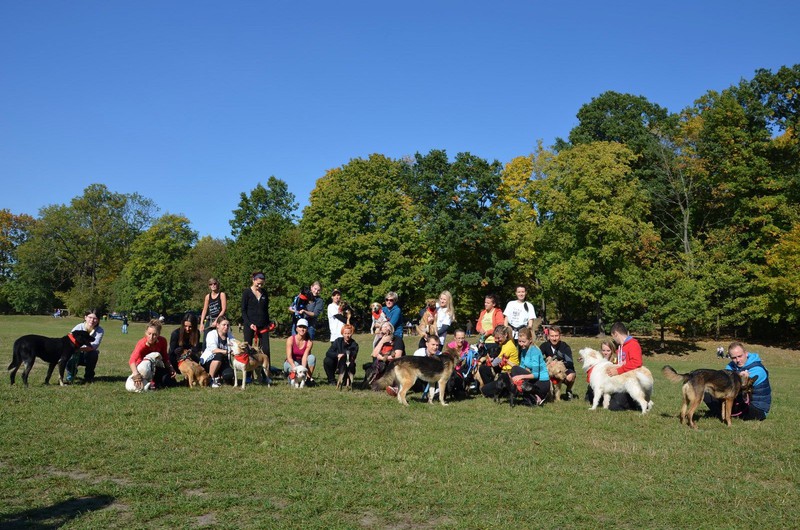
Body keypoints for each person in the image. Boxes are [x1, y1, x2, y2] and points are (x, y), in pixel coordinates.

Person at [703, 342, 771, 421]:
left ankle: (721, 413)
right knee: (707, 391)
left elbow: (742, 386)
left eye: (740, 356)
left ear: (746, 353)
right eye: (734, 358)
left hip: (756, 407)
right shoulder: (730, 366)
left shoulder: (758, 369)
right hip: (738, 403)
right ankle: (722, 413)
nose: (738, 360)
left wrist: (741, 378)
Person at [599, 322, 645, 411]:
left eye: (612, 336)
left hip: (631, 382)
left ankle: (636, 403)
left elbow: (636, 363)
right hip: (621, 381)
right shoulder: (620, 348)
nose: (613, 339)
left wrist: (618, 370)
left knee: (615, 407)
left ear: (615, 334)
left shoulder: (633, 344)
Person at [128, 319, 175, 390]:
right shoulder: (141, 344)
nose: (151, 337)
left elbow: (165, 357)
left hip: (155, 367)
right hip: (143, 368)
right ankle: (150, 383)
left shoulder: (162, 341)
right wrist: (135, 374)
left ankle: (153, 382)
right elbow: (132, 360)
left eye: (154, 334)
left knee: (169, 381)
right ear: (145, 332)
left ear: (158, 334)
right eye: (149, 333)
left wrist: (170, 368)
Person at [509, 327, 550, 406]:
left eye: (523, 342)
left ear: (530, 340)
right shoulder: (523, 351)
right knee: (515, 370)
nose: (521, 344)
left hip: (542, 382)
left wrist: (520, 377)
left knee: (515, 369)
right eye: (519, 341)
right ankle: (531, 398)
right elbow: (522, 368)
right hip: (534, 381)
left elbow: (535, 375)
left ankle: (535, 397)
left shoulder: (534, 351)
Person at [242, 271, 272, 377]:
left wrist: (269, 324)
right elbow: (243, 311)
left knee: (266, 349)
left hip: (263, 326)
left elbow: (265, 310)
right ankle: (249, 375)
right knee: (249, 349)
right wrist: (249, 324)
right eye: (258, 283)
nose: (259, 286)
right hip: (250, 325)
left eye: (261, 284)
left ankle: (266, 375)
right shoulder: (246, 293)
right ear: (253, 280)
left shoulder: (264, 293)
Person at [479, 325, 520, 397]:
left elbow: (497, 361)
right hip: (502, 370)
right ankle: (494, 389)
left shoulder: (509, 346)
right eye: (496, 338)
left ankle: (500, 392)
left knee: (484, 390)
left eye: (499, 338)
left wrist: (490, 362)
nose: (497, 340)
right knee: (483, 369)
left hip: (509, 373)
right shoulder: (504, 343)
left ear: (505, 335)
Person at [66, 309, 104, 384]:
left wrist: (78, 349)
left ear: (98, 320)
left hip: (88, 354)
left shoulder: (100, 330)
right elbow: (70, 341)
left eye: (95, 318)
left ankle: (89, 377)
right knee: (69, 354)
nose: (92, 320)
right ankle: (71, 374)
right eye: (90, 317)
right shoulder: (78, 327)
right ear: (85, 317)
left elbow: (94, 346)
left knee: (94, 353)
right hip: (75, 354)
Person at [540, 325, 576, 400]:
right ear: (548, 336)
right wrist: (548, 362)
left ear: (560, 336)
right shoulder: (544, 346)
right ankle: (547, 393)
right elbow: (538, 359)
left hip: (564, 370)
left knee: (570, 376)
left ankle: (568, 390)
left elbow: (570, 362)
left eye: (556, 336)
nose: (554, 338)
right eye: (552, 336)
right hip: (549, 370)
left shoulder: (565, 347)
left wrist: (556, 362)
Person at [370, 321, 405, 392]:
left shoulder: (397, 340)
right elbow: (374, 354)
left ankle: (395, 385)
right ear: (381, 330)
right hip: (383, 365)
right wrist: (382, 341)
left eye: (388, 326)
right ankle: (378, 382)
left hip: (396, 365)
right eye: (384, 326)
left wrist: (383, 358)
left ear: (392, 329)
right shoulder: (380, 340)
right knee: (377, 364)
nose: (386, 328)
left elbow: (397, 357)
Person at [200, 318, 234, 388]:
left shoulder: (229, 335)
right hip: (209, 361)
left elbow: (235, 344)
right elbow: (214, 350)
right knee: (219, 355)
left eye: (228, 325)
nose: (226, 327)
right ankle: (210, 379)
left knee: (229, 375)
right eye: (224, 325)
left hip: (223, 361)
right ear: (217, 325)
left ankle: (218, 377)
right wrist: (227, 352)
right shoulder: (211, 334)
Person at [285, 318, 316, 382]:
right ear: (296, 328)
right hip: (291, 362)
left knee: (312, 358)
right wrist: (295, 367)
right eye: (300, 327)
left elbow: (305, 357)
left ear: (307, 329)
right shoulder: (290, 339)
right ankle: (289, 376)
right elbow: (289, 357)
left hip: (302, 362)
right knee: (296, 367)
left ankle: (307, 379)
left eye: (304, 327)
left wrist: (302, 369)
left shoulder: (309, 342)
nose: (302, 329)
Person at [199, 277, 227, 345]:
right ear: (209, 286)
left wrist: (217, 321)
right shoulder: (208, 296)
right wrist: (201, 323)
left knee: (220, 339)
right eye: (211, 284)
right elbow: (204, 310)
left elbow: (224, 309)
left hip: (220, 320)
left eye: (214, 283)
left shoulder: (222, 295)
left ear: (217, 284)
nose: (213, 285)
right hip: (210, 320)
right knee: (206, 340)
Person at [475, 294, 504, 359]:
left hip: (493, 342)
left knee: (492, 363)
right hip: (482, 342)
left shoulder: (498, 312)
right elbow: (478, 325)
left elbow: (500, 327)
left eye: (488, 303)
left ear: (493, 304)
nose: (485, 304)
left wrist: (489, 332)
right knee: (481, 363)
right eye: (485, 302)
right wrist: (480, 329)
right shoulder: (483, 312)